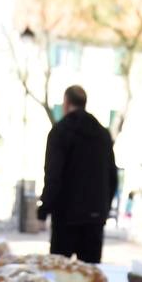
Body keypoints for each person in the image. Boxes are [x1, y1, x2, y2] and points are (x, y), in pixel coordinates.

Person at [37, 85, 118, 263]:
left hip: (65, 218)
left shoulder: (60, 132)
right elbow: (113, 177)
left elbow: (53, 175)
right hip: (94, 219)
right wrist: (103, 210)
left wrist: (44, 210)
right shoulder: (103, 134)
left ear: (66, 103)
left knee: (59, 277)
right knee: (91, 278)